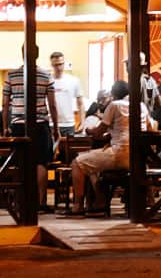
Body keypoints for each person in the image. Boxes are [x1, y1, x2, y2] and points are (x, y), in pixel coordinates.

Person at [60, 80, 154, 218]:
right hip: (138, 157)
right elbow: (149, 128)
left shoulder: (114, 105)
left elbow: (98, 132)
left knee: (77, 163)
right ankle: (100, 201)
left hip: (118, 154)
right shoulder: (141, 106)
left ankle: (78, 206)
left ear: (114, 94)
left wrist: (89, 130)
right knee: (93, 162)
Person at [2, 45, 59, 213]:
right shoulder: (45, 75)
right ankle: (40, 202)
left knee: (20, 163)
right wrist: (56, 128)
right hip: (40, 124)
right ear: (38, 55)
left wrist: (5, 126)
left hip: (18, 124)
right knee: (41, 163)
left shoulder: (11, 75)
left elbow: (5, 104)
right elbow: (53, 105)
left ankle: (21, 201)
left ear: (22, 54)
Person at [49, 51, 84, 138]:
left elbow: (80, 103)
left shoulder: (73, 80)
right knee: (50, 151)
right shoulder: (48, 80)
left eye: (61, 64)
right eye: (56, 65)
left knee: (68, 151)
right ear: (52, 65)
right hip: (51, 124)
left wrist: (82, 122)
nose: (59, 67)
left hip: (68, 124)